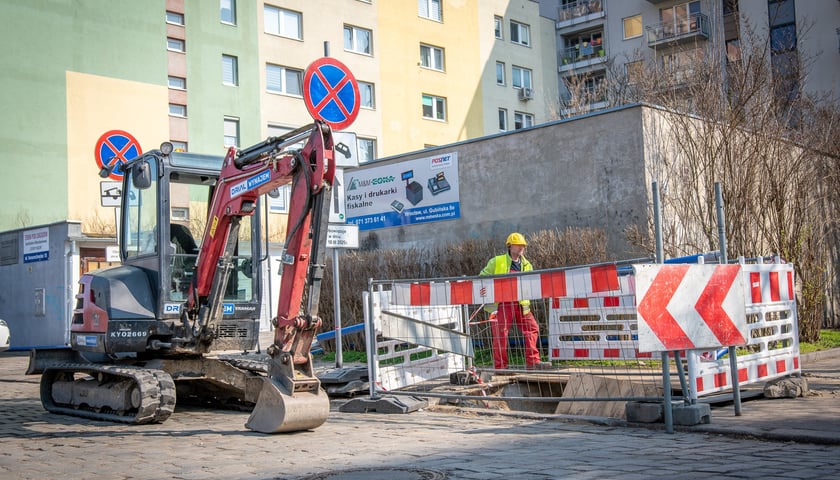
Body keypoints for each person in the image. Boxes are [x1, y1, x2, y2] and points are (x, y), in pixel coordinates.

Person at [479, 232, 551, 371]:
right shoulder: (497, 261)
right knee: (501, 334)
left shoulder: (526, 264)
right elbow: (482, 278)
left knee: (532, 328)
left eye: (523, 245)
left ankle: (533, 362)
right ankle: (501, 368)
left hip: (520, 303)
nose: (521, 247)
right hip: (503, 303)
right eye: (518, 245)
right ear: (510, 245)